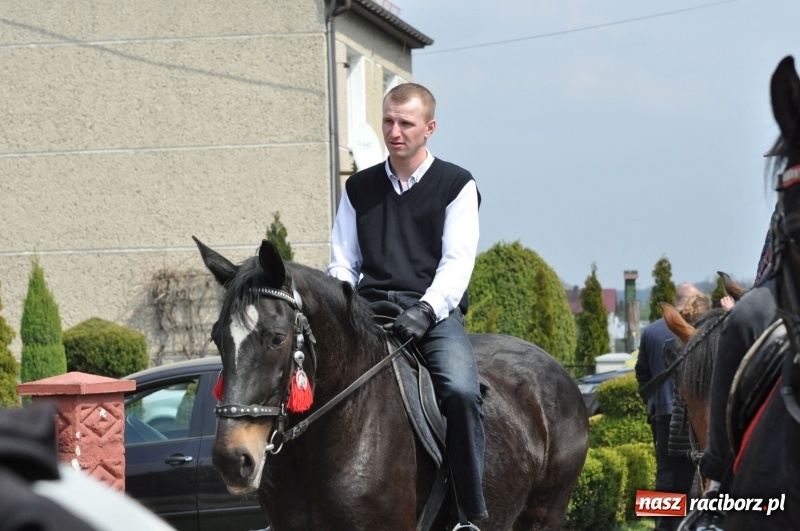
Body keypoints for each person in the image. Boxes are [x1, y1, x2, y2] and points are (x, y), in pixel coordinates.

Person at [327, 82, 486, 530]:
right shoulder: (359, 187)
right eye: (388, 122)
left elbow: (457, 265)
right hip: (367, 309)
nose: (394, 132)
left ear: (429, 128)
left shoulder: (457, 184)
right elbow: (343, 262)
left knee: (459, 391)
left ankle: (465, 513)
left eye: (405, 123)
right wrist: (342, 309)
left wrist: (426, 310)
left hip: (431, 313)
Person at [636, 283, 702, 531]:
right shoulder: (699, 329)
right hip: (691, 412)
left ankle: (662, 525)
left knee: (665, 471)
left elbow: (642, 372)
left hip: (661, 411)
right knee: (695, 471)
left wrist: (653, 401)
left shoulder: (651, 331)